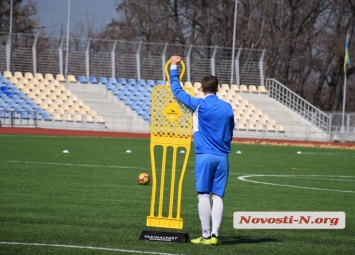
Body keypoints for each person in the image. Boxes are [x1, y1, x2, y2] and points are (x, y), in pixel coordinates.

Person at [169, 56, 235, 245]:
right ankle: (215, 235)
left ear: (201, 89)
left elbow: (176, 90)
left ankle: (205, 235)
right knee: (218, 196)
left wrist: (174, 66)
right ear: (218, 88)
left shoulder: (199, 104)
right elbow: (230, 131)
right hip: (222, 157)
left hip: (204, 156)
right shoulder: (227, 107)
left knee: (204, 195)